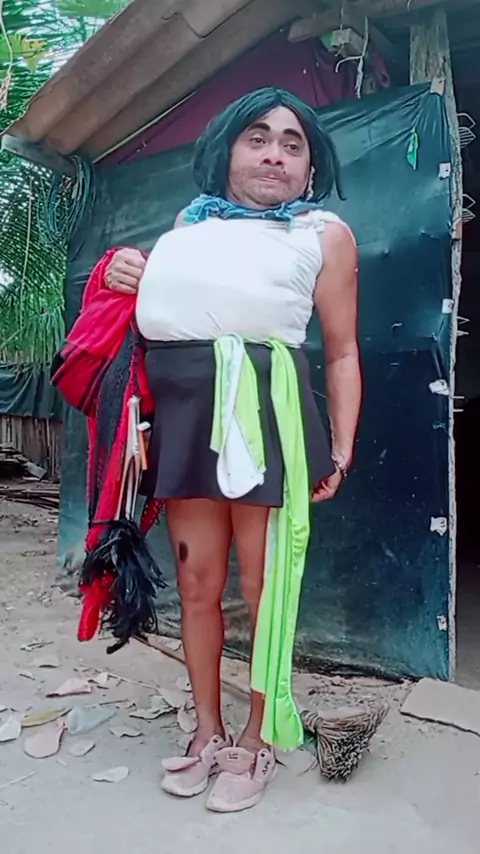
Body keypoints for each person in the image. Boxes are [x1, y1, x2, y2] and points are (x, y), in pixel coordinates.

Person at [101, 87, 361, 812]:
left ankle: (258, 737)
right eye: (258, 138)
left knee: (265, 589)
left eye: (292, 143)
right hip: (188, 420)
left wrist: (341, 448)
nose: (275, 154)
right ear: (226, 152)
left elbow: (342, 351)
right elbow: (173, 310)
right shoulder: (189, 227)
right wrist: (130, 276)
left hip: (272, 421)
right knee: (197, 584)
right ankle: (208, 730)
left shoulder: (323, 234)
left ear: (311, 166)